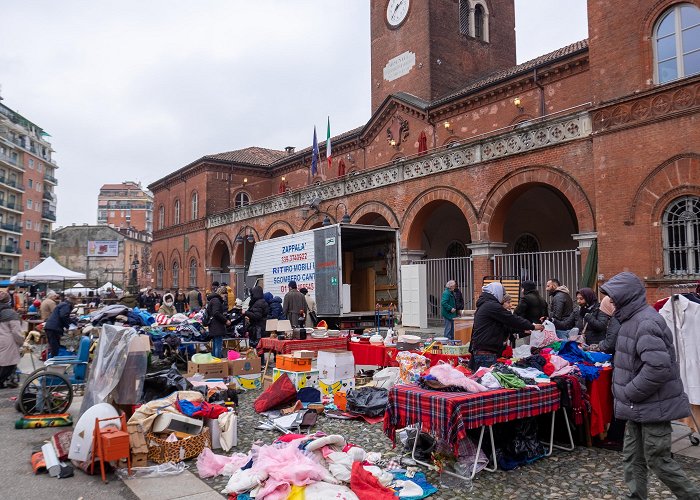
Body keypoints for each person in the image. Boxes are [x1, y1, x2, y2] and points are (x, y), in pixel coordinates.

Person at [600, 272, 700, 500]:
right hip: (637, 406)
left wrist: (629, 392)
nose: (611, 302)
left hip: (653, 405)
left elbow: (658, 368)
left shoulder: (645, 322)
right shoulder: (630, 320)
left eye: (614, 298)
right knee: (633, 457)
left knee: (659, 460)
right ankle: (636, 496)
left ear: (625, 297)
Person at [470, 282, 543, 371]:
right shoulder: (491, 306)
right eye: (502, 293)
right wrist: (532, 326)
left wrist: (523, 330)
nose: (502, 296)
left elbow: (506, 325)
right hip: (486, 352)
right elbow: (511, 319)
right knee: (488, 381)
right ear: (496, 292)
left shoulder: (486, 305)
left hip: (484, 350)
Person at [0, 290, 23, 388]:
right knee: (9, 364)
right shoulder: (10, 313)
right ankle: (2, 381)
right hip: (8, 341)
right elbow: (16, 332)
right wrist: (21, 341)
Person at [206, 287, 230, 358]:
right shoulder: (216, 301)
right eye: (225, 296)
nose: (225, 298)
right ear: (222, 294)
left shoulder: (213, 300)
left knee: (215, 344)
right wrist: (225, 320)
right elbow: (216, 313)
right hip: (217, 326)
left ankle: (214, 362)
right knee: (218, 346)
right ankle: (218, 362)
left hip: (213, 325)